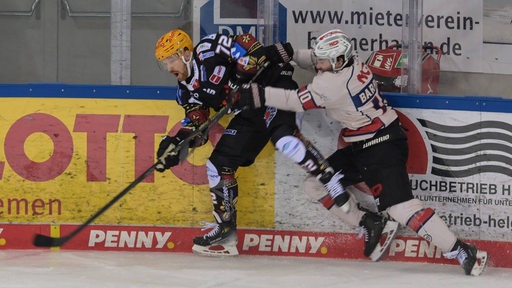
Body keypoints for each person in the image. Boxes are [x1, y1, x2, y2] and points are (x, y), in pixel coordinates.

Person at [233, 29, 489, 275]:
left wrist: (258, 94)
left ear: (339, 59)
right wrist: (288, 52)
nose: (318, 64)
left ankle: (462, 251)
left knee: (401, 208)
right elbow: (312, 57)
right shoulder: (348, 64)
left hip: (382, 146)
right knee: (315, 186)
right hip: (363, 143)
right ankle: (370, 222)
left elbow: (295, 101)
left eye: (323, 60)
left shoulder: (334, 84)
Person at [153, 29, 396, 259]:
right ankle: (225, 231)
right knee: (219, 164)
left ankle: (328, 177)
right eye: (164, 64)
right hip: (249, 108)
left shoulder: (207, 49)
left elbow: (249, 44)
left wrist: (244, 69)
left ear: (186, 53)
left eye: (170, 60)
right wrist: (176, 144)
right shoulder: (185, 91)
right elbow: (199, 125)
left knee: (284, 139)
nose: (168, 68)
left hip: (273, 85)